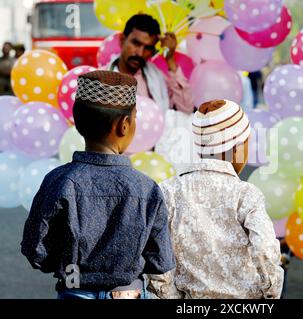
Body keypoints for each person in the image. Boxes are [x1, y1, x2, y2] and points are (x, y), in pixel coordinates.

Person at [21, 71, 177, 299]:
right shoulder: (146, 188)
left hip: (75, 288)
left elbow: (36, 249)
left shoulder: (59, 181)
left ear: (77, 121)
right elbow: (160, 259)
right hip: (129, 292)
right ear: (125, 125)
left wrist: (68, 264)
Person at [159, 99, 285, 299]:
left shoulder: (168, 191)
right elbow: (265, 251)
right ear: (236, 148)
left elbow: (158, 258)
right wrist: (270, 293)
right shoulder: (245, 195)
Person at [108, 14, 196, 165]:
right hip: (117, 164)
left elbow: (186, 108)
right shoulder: (104, 80)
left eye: (148, 48)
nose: (140, 53)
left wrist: (170, 59)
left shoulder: (156, 79)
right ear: (122, 41)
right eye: (136, 43)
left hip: (156, 162)